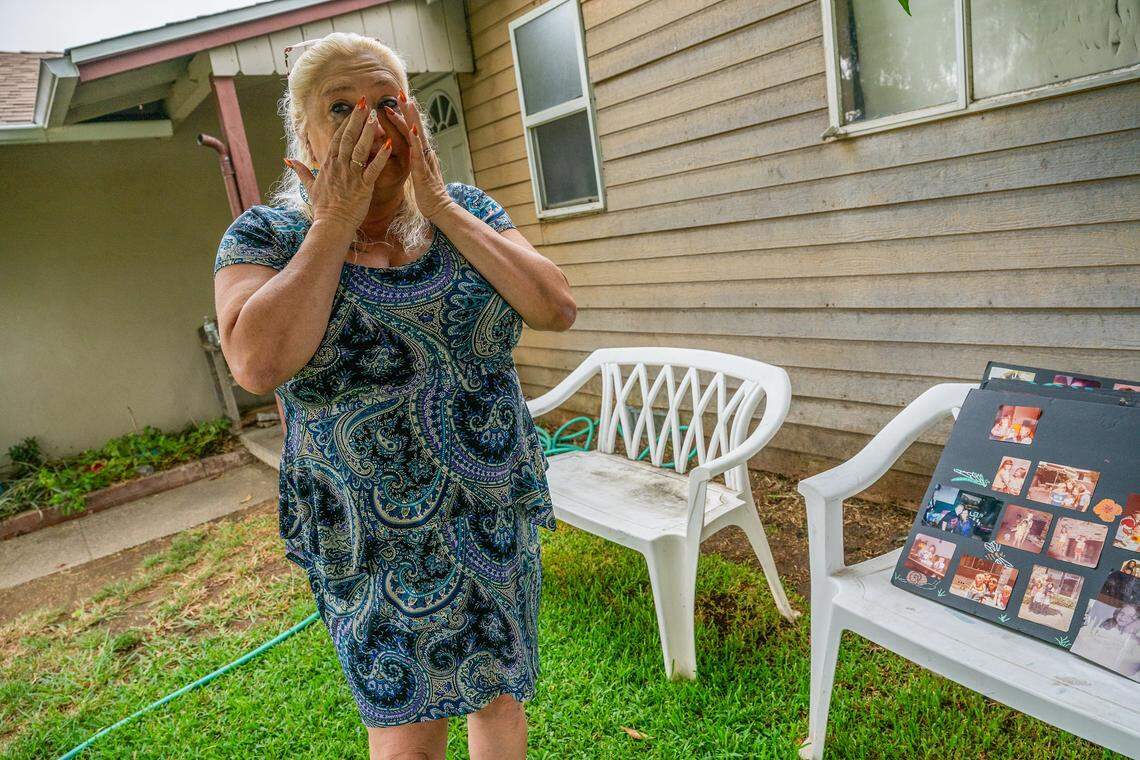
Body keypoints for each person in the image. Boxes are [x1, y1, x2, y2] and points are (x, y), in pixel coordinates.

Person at [212, 32, 577, 760]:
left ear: (413, 118)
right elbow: (255, 362)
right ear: (305, 135)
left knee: (499, 695)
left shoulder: (465, 211)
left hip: (489, 514)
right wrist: (335, 221)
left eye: (386, 101)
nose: (368, 121)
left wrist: (437, 203)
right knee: (406, 732)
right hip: (372, 537)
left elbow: (555, 307)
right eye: (340, 107)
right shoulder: (267, 236)